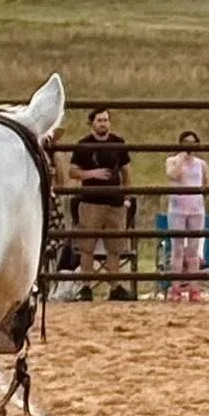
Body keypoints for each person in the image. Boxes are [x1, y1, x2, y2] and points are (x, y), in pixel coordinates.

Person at [69, 106, 132, 300]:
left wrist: (126, 196)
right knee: (87, 246)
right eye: (99, 120)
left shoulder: (118, 143)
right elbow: (72, 171)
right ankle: (86, 287)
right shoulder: (83, 145)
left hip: (115, 202)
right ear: (92, 124)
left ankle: (115, 286)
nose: (103, 124)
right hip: (91, 201)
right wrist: (92, 174)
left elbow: (126, 172)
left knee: (114, 247)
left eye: (106, 120)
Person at [164, 129, 209, 302]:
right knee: (177, 249)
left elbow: (206, 182)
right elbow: (172, 175)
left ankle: (194, 288)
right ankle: (175, 287)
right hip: (177, 209)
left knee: (193, 250)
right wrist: (181, 159)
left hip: (196, 209)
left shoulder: (201, 164)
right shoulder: (172, 161)